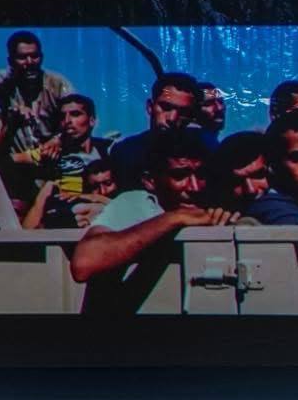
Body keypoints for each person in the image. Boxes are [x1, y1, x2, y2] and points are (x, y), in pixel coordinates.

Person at [71, 128, 238, 314]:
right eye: (179, 176)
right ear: (150, 181)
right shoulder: (136, 203)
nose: (194, 187)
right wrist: (175, 217)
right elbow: (84, 264)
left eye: (201, 175)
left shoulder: (217, 200)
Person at [0, 30, 71, 195]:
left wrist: (58, 139)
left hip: (54, 161)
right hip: (19, 165)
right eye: (22, 57)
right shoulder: (3, 79)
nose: (30, 62)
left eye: (35, 56)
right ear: (11, 61)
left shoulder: (57, 84)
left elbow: (80, 115)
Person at [107, 72, 204, 192]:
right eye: (166, 107)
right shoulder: (125, 153)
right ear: (150, 107)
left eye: (183, 112)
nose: (172, 118)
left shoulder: (204, 151)